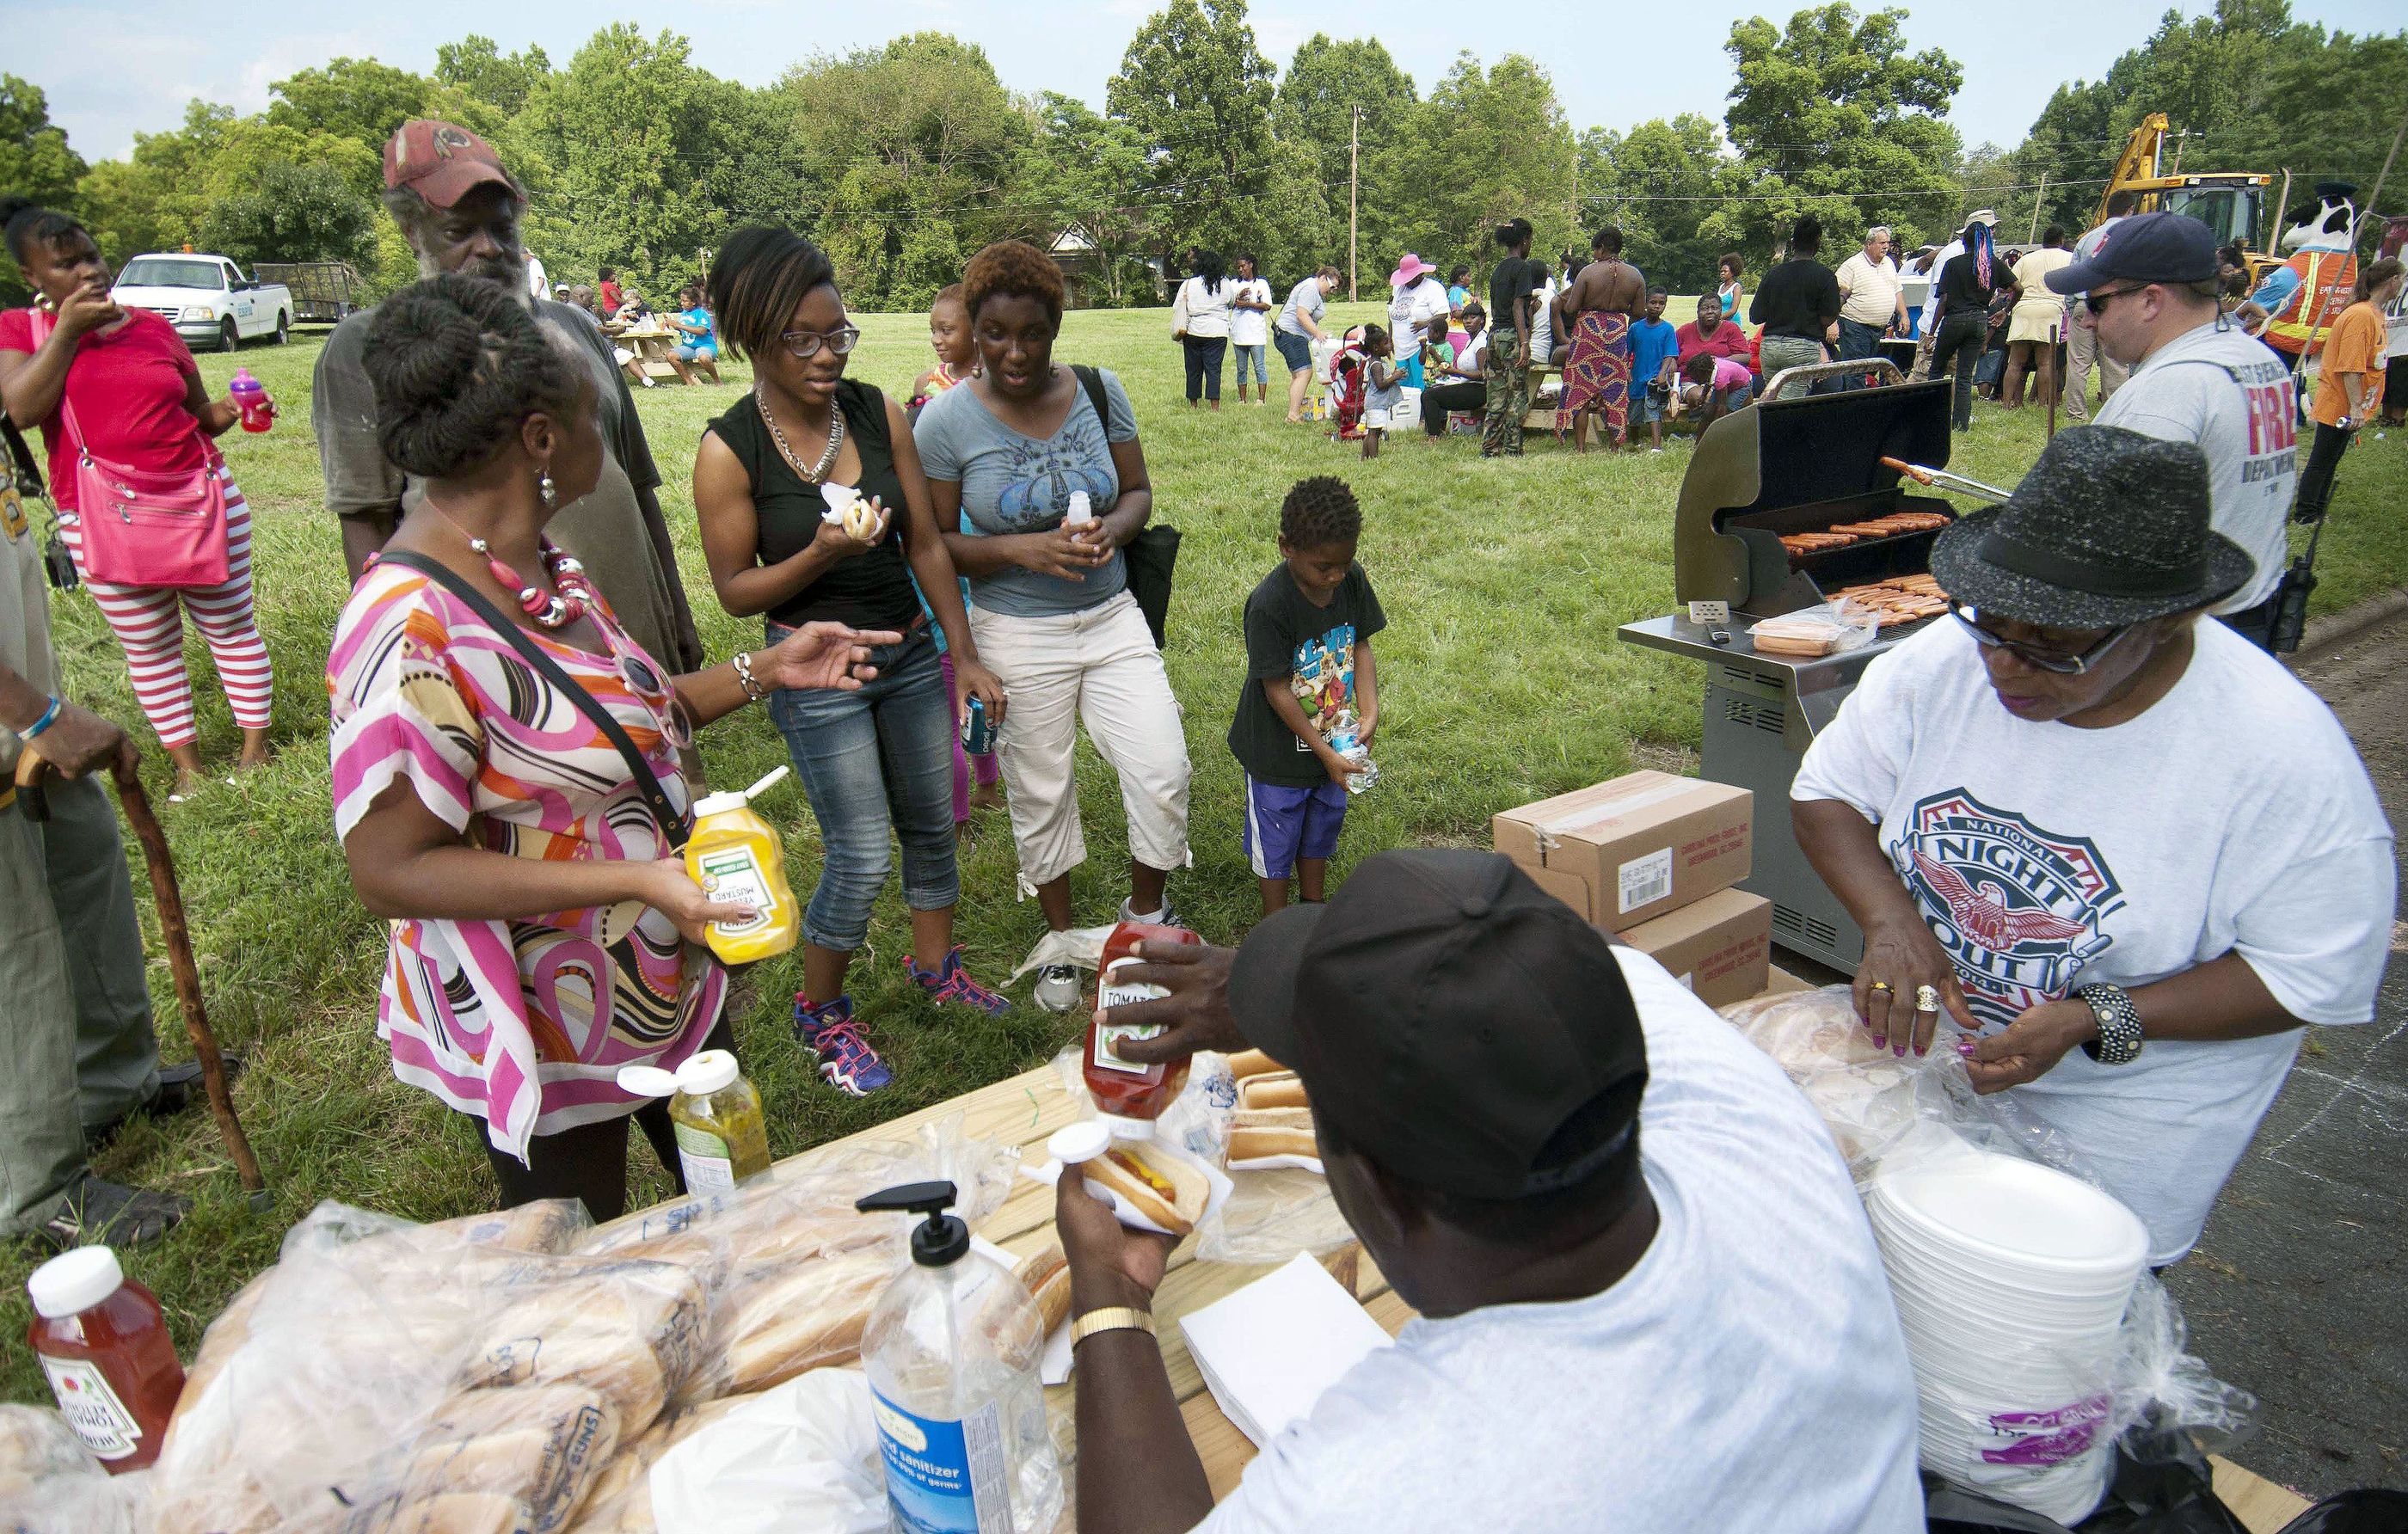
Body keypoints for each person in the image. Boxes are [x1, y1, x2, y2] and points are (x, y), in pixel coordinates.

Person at [1053, 850, 1926, 1533]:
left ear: (1372, 1188)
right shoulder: (1755, 1126)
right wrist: (1300, 993)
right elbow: (1591, 959)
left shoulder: (1405, 1482)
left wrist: (1110, 1292)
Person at [329, 275, 897, 1216]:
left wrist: (769, 670)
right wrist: (632, 881)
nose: (610, 440)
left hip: (649, 976)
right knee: (581, 1257)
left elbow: (613, 722)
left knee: (730, 1208)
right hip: (547, 1013)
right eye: (594, 414)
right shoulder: (406, 628)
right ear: (542, 442)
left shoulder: (544, 566)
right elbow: (389, 867)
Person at [1792, 426, 2391, 1269]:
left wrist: (2093, 1016)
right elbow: (1828, 793)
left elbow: (2309, 974)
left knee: (2044, 1345)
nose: (2004, 665)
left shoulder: (2277, 756)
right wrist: (1893, 921)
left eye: (2052, 646)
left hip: (2122, 1132)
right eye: (1989, 625)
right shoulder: (1942, 666)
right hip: (1940, 1081)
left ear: (2169, 619)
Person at [691, 228, 1011, 1097]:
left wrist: (966, 654)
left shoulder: (879, 412)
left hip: (908, 650)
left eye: (839, 333)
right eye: (803, 338)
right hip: (815, 669)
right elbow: (736, 590)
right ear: (753, 335)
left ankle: (934, 965)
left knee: (930, 823)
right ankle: (819, 1010)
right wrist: (822, 553)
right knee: (863, 849)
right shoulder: (728, 451)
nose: (827, 354)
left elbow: (929, 546)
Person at [317, 121, 705, 683]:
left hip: (634, 645)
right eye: (460, 231)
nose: (489, 249)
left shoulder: (575, 328)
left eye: (501, 228)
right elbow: (366, 523)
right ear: (411, 229)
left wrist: (676, 613)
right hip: (504, 673)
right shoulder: (369, 348)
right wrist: (392, 659)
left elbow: (637, 484)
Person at [917, 242, 1190, 997]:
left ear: (1055, 327)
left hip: (1111, 615)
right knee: (1041, 793)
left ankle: (1144, 918)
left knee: (1162, 769)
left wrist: (1117, 530)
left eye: (1031, 333)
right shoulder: (944, 423)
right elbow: (938, 545)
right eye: (996, 332)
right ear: (973, 328)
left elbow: (1136, 491)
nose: (1014, 351)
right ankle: (1066, 943)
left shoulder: (1100, 391)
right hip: (1014, 630)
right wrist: (1020, 550)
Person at [1, 425, 220, 1251]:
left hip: (24, 721)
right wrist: (39, 715)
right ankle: (38, 1187)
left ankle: (111, 1083)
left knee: (86, 869)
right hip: (23, 720)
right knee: (15, 953)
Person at [0, 200, 273, 797]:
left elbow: (197, 414)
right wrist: (69, 331)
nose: (89, 273)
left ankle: (256, 751)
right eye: (67, 265)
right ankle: (189, 768)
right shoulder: (22, 331)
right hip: (100, 516)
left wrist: (229, 411)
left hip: (201, 501)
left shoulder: (153, 327)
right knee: (151, 648)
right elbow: (19, 409)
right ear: (33, 280)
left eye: (93, 257)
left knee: (231, 628)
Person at [2044, 212, 2303, 652]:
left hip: (2181, 636)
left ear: (2150, 300)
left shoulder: (2167, 394)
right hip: (2251, 609)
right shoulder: (2252, 357)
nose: (2086, 320)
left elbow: (2102, 543)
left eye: (2097, 302)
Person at [1227, 477, 1383, 915]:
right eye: (1323, 567)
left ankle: (1312, 907)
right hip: (1277, 754)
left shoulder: (1351, 581)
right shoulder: (1269, 605)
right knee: (1278, 838)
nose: (1335, 578)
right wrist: (1323, 751)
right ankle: (1277, 926)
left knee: (1322, 826)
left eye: (1344, 564)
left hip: (1333, 741)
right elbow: (1275, 688)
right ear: (1286, 547)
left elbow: (1361, 644)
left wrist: (1370, 711)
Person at [2294, 258, 2403, 534]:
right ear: (2392, 281)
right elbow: (2350, 367)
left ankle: (2316, 510)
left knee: (2331, 459)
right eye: (2401, 278)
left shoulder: (2374, 313)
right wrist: (2355, 407)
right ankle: (2305, 515)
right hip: (2340, 403)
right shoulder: (2361, 316)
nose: (2402, 284)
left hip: (2351, 404)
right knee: (2322, 459)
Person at [1553, 226, 1646, 451]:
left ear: (1602, 248)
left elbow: (1571, 308)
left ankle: (1581, 447)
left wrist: (1565, 296)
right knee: (1615, 389)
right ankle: (1615, 446)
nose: (1594, 255)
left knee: (1580, 388)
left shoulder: (1588, 272)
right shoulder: (1635, 275)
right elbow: (1639, 313)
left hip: (1588, 332)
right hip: (1616, 333)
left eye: (1595, 250)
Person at [2062, 191, 2138, 419]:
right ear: (2130, 210)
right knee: (2115, 363)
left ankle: (2075, 411)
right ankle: (2114, 412)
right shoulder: (2130, 236)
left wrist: (2071, 307)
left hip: (2082, 303)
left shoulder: (2086, 239)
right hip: (2115, 305)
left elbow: (2072, 274)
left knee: (2078, 362)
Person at [1926, 219, 2004, 432]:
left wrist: (1932, 332)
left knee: (1936, 371)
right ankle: (1961, 424)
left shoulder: (1954, 264)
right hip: (1979, 320)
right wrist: (2005, 311)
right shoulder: (1993, 265)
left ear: (1964, 242)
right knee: (1964, 376)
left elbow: (1943, 300)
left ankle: (1933, 418)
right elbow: (2018, 287)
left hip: (1954, 320)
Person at [1751, 214, 1841, 391]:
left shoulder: (1773, 274)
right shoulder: (1825, 276)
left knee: (1774, 399)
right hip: (1802, 347)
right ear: (1818, 245)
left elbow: (1756, 316)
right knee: (1788, 404)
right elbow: (1827, 319)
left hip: (1769, 346)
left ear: (1793, 243)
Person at [1483, 218, 1545, 457]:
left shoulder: (1498, 268)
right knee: (1517, 394)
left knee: (1496, 395)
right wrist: (1524, 343)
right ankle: (1512, 449)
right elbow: (1518, 306)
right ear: (1524, 240)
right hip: (1511, 336)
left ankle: (1490, 447)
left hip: (1494, 336)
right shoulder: (1523, 268)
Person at [2000, 228, 2073, 409]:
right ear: (2061, 240)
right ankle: (2042, 404)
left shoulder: (2027, 259)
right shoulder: (2068, 258)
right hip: (2051, 309)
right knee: (2046, 363)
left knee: (2015, 362)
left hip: (2023, 309)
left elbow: (2010, 285)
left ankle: (2007, 403)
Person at [1834, 225, 1907, 390]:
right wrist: (1832, 321)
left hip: (1880, 329)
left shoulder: (1889, 263)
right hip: (1855, 327)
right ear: (1869, 244)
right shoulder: (1852, 265)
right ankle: (1857, 408)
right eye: (1881, 243)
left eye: (1887, 243)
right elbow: (1837, 295)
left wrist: (1904, 315)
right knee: (1855, 371)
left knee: (1872, 370)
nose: (1886, 246)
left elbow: (1897, 290)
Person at [1275, 266, 1338, 423]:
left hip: (1289, 334)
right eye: (1331, 287)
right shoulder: (1310, 289)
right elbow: (1302, 315)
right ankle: (1293, 415)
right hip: (1292, 335)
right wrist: (1317, 333)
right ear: (1323, 277)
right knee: (1305, 373)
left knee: (1298, 375)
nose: (1332, 291)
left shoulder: (1311, 288)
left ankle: (1294, 411)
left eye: (1335, 289)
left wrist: (1316, 332)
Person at [909, 282, 978, 420]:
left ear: (976, 329)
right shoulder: (927, 383)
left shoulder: (992, 385)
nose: (935, 339)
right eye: (933, 330)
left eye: (946, 331)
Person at [1419, 302, 1487, 439]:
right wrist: (1448, 372)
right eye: (1465, 318)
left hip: (1478, 390)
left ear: (1482, 320)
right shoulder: (1470, 341)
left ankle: (1434, 436)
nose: (1468, 321)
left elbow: (1483, 374)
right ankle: (1437, 429)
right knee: (1431, 391)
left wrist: (1454, 371)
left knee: (1429, 396)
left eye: (1473, 318)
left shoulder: (1481, 342)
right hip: (1466, 385)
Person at [1176, 250, 1232, 410]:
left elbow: (1177, 305)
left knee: (1193, 369)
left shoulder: (1190, 283)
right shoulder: (1225, 283)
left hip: (1194, 331)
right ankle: (1214, 406)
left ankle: (1194, 404)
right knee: (1214, 370)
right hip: (1218, 332)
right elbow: (1231, 301)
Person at [1385, 254, 1450, 390]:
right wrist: (1389, 338)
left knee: (1421, 385)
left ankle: (1422, 411)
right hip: (1401, 346)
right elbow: (1391, 313)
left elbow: (1443, 313)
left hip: (1420, 347)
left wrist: (1425, 323)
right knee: (1403, 387)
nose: (1406, 281)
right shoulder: (1398, 288)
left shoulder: (1433, 288)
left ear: (1419, 274)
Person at [1626, 288, 1680, 451]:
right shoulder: (1635, 328)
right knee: (1634, 414)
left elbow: (1670, 353)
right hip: (1637, 378)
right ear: (1645, 303)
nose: (1657, 306)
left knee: (1653, 411)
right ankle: (1635, 441)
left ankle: (1656, 447)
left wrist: (1662, 372)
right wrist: (1626, 369)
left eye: (1661, 303)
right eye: (1653, 302)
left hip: (1655, 379)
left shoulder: (1667, 329)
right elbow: (1626, 352)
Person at [1226, 255, 1275, 407]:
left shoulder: (1261, 283)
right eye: (1238, 267)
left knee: (1259, 366)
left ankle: (1261, 399)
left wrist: (1248, 304)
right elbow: (1227, 304)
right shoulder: (1233, 284)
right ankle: (1242, 399)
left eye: (1243, 266)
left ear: (1251, 265)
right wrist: (1238, 298)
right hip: (1238, 331)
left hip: (1256, 332)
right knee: (1241, 368)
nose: (1241, 270)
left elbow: (1267, 305)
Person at [1674, 291, 1753, 375]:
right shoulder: (1685, 331)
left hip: (1724, 379)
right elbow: (1671, 354)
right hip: (1689, 380)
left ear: (1721, 311)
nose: (1710, 312)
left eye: (1715, 308)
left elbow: (1746, 357)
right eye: (1705, 309)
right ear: (1697, 312)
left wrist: (1718, 362)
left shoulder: (1731, 329)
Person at [1679, 351, 1754, 428]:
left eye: (1697, 378)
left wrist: (1716, 426)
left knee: (1727, 411)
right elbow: (1709, 383)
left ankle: (1724, 432)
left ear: (1707, 373)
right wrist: (1703, 396)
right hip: (1728, 380)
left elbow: (1722, 406)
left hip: (1742, 385)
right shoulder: (1709, 368)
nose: (1695, 381)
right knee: (1708, 410)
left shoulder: (1720, 379)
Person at [665, 283, 721, 385]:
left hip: (705, 346)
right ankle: (689, 382)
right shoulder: (683, 314)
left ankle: (717, 381)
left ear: (693, 302)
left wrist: (680, 325)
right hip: (688, 347)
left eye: (685, 301)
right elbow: (685, 333)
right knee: (671, 355)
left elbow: (702, 331)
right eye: (681, 300)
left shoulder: (702, 313)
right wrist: (674, 326)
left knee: (703, 357)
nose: (682, 303)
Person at [1359, 325, 1401, 460]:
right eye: (1386, 343)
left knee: (1371, 432)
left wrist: (1394, 374)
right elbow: (1381, 384)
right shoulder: (1377, 365)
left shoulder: (1376, 361)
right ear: (1376, 347)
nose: (1389, 346)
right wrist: (1395, 377)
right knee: (1374, 433)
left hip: (1374, 403)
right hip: (1376, 404)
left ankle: (1365, 456)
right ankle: (1374, 458)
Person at [1716, 253, 1746, 322]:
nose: (1722, 273)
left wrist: (1717, 319)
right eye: (1721, 271)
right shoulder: (1721, 286)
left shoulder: (1736, 287)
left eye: (1725, 271)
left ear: (1732, 273)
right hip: (1721, 322)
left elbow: (1733, 310)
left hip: (1732, 322)